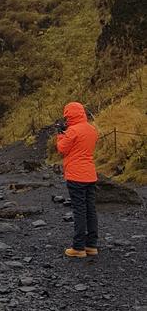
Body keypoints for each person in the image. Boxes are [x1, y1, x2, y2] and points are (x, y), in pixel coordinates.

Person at [56, 101, 99, 258]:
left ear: (69, 115)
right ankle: (91, 245)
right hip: (90, 173)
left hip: (76, 175)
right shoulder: (92, 129)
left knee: (79, 209)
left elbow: (62, 149)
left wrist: (61, 134)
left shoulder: (72, 131)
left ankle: (78, 247)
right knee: (90, 209)